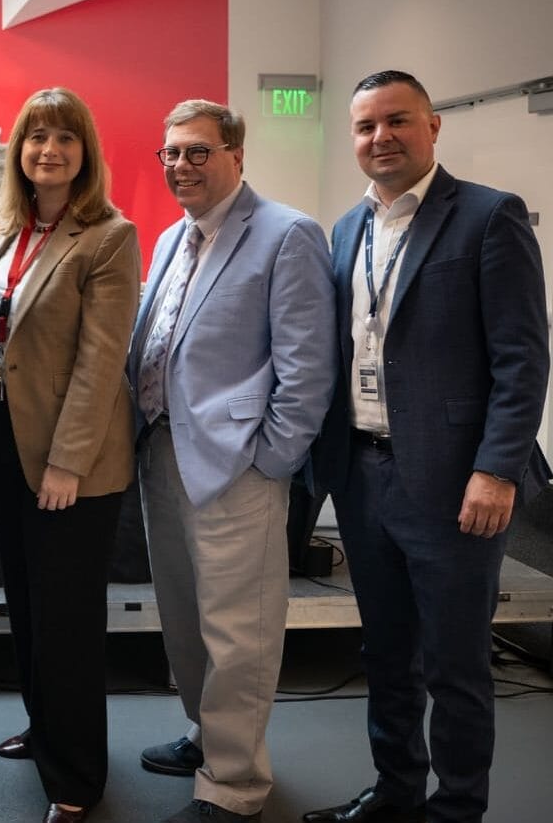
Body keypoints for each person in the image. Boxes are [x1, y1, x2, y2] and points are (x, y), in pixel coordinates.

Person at [302, 71, 550, 823]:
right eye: (365, 126)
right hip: (364, 474)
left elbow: (522, 358)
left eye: (397, 121)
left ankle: (459, 807)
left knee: (456, 663)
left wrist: (495, 468)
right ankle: (397, 789)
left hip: (454, 484)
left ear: (433, 127)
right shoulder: (346, 230)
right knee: (386, 654)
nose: (380, 137)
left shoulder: (486, 215)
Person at [127, 100, 336, 823]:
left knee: (239, 630)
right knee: (184, 619)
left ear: (236, 153)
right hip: (162, 454)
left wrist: (271, 461)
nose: (181, 166)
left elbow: (308, 368)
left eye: (197, 152)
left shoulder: (287, 234)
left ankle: (236, 783)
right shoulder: (168, 241)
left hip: (238, 467)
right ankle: (205, 734)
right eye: (171, 155)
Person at [0, 89, 140, 823]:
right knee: (27, 606)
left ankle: (76, 779)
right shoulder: (13, 231)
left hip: (71, 462)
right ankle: (47, 731)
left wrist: (67, 462)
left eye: (65, 139)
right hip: (8, 446)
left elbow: (101, 363)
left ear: (86, 154)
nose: (49, 150)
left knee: (67, 621)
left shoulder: (107, 236)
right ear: (19, 150)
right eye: (36, 137)